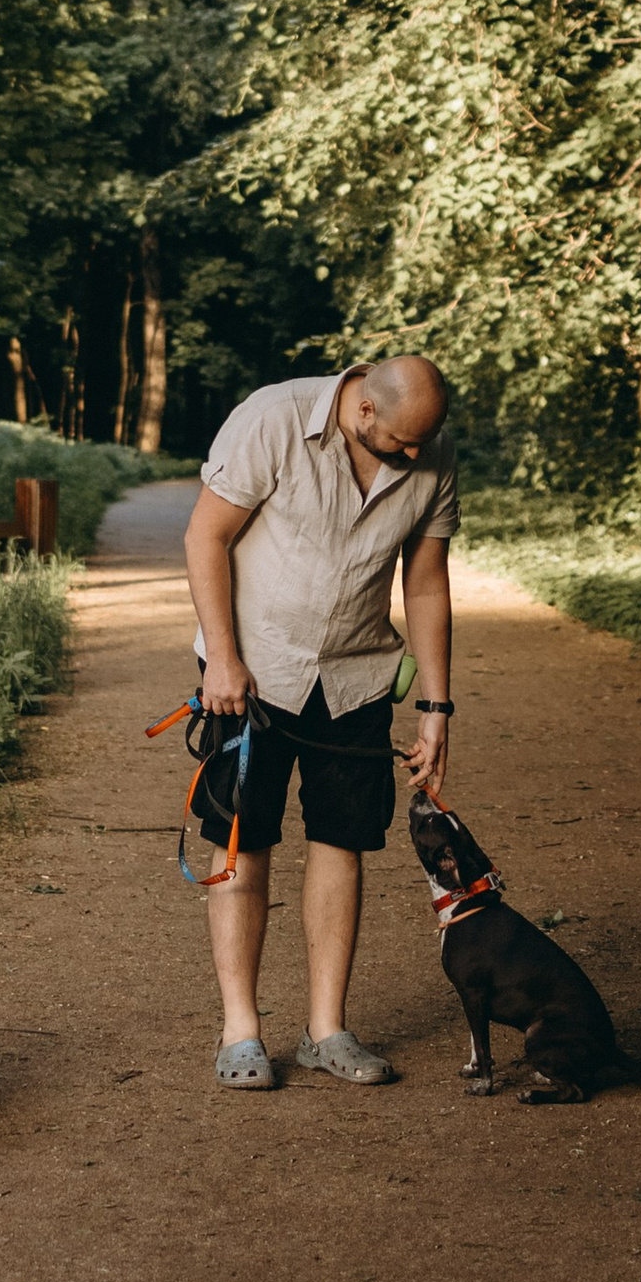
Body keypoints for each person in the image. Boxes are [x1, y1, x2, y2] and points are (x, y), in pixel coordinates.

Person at [181, 355, 455, 1088]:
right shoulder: (272, 418)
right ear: (364, 408)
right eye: (400, 442)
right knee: (243, 838)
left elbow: (425, 582)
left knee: (343, 841)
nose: (412, 457)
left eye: (422, 445)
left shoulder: (427, 447)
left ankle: (326, 1029)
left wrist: (435, 706)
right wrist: (223, 662)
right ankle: (241, 1032)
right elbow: (205, 538)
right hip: (251, 675)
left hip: (359, 677)